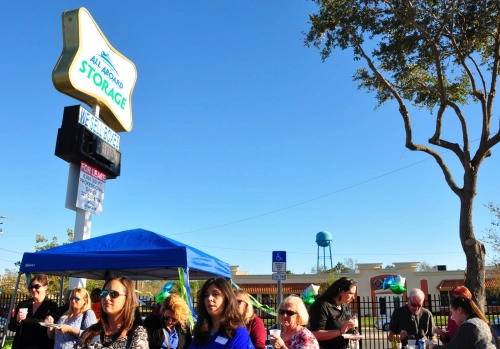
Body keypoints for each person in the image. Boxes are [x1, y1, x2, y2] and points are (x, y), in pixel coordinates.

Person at [75, 276, 148, 349]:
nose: (107, 297)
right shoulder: (90, 332)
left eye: (114, 294)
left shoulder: (137, 333)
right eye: (104, 293)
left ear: (127, 299)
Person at [188, 277, 254, 349]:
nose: (209, 298)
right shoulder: (201, 332)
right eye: (206, 295)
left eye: (215, 294)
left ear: (227, 298)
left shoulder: (237, 332)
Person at [8, 274, 60, 349]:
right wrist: (17, 320)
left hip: (42, 345)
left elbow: (55, 330)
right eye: (31, 287)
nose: (33, 289)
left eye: (36, 286)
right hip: (21, 345)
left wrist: (48, 323)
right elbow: (11, 327)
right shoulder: (23, 304)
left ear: (46, 287)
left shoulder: (51, 306)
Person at [429, 295, 500, 349]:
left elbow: (453, 347)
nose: (452, 317)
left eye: (452, 313)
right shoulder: (478, 322)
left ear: (459, 310)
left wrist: (434, 347)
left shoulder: (470, 325)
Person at [308, 277, 358, 349]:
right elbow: (315, 334)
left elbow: (347, 327)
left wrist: (354, 333)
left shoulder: (345, 306)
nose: (353, 298)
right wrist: (340, 331)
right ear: (341, 291)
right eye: (350, 293)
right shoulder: (322, 306)